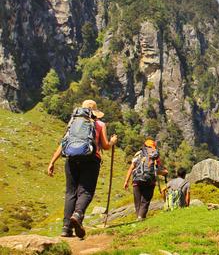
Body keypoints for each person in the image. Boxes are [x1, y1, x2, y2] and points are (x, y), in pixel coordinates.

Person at [47, 100, 117, 238]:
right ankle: (78, 215)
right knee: (85, 191)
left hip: (71, 159)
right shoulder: (100, 124)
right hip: (91, 160)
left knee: (70, 193)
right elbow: (105, 145)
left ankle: (66, 228)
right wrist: (112, 142)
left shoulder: (73, 123)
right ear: (95, 112)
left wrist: (52, 162)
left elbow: (64, 143)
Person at [123, 139, 168, 221]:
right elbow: (156, 170)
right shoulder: (154, 154)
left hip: (136, 180)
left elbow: (131, 168)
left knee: (137, 202)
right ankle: (140, 218)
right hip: (149, 181)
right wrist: (164, 172)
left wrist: (126, 181)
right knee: (145, 201)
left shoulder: (138, 154)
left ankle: (138, 219)